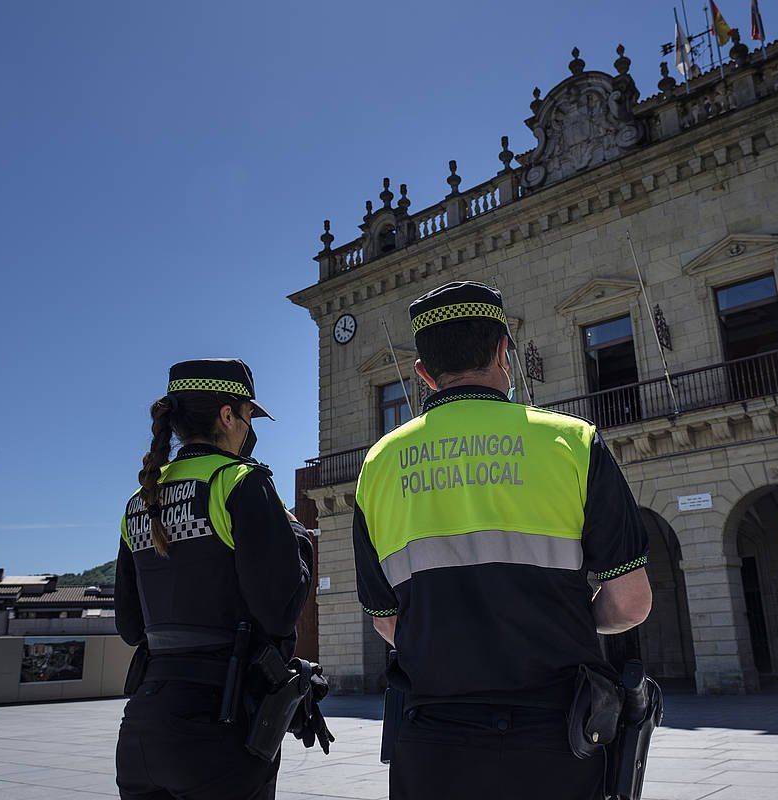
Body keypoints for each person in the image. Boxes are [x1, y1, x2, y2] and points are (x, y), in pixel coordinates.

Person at [353, 281, 653, 800]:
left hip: (433, 744)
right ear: (502, 352)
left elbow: (385, 619)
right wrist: (563, 619)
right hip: (556, 739)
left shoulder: (378, 466)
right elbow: (630, 602)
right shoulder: (573, 442)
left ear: (424, 374)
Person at [114, 358, 317, 800]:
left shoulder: (139, 500)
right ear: (228, 415)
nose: (248, 429)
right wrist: (297, 535)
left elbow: (130, 627)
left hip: (141, 732)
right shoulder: (239, 482)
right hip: (220, 729)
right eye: (247, 416)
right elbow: (280, 613)